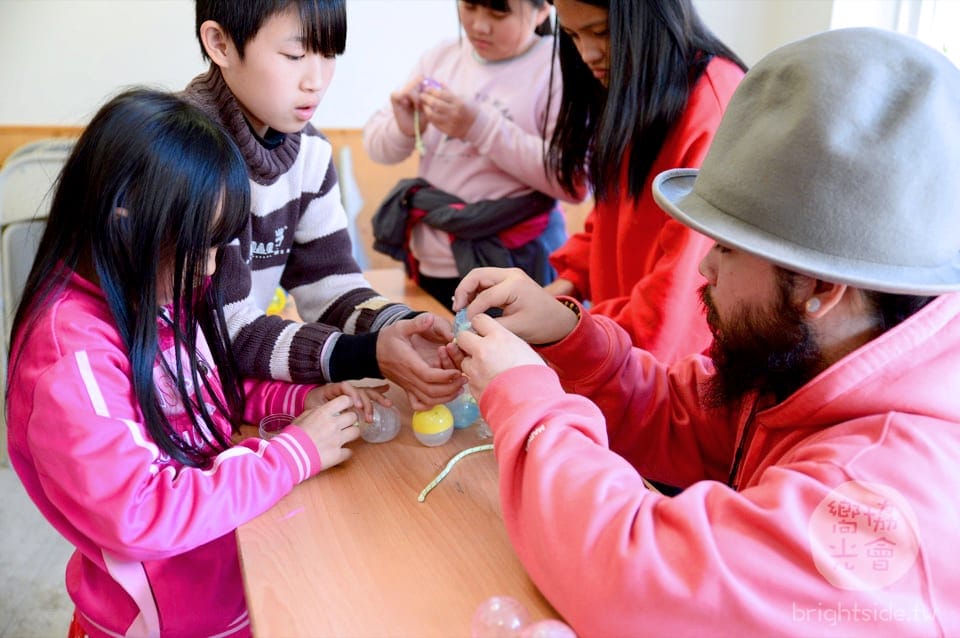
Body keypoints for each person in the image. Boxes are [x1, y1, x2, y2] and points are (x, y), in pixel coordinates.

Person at [449, 28, 960, 636]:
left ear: (820, 289)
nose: (706, 267)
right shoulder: (816, 356)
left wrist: (526, 401)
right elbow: (685, 414)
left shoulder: (875, 496)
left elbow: (633, 580)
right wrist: (567, 337)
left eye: (726, 248)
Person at [5, 89, 391, 638]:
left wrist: (299, 400)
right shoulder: (71, 358)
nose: (210, 269)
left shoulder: (154, 291)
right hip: (161, 621)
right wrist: (293, 454)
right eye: (201, 246)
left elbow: (205, 389)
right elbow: (141, 514)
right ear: (124, 224)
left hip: (231, 577)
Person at [185, 0, 463, 409]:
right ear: (220, 44)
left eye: (329, 53)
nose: (316, 81)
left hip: (231, 391)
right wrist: (365, 354)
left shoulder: (310, 153)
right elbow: (223, 329)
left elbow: (329, 286)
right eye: (294, 55)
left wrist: (405, 326)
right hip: (174, 396)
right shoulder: (187, 157)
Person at [543, 0, 746, 363]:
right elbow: (609, 217)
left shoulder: (711, 105)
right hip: (627, 351)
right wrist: (564, 285)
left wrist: (565, 326)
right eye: (573, 35)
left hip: (668, 368)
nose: (587, 54)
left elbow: (674, 299)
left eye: (601, 32)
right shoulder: (638, 84)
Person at [363, 0, 585, 311]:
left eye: (499, 12)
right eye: (469, 6)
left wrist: (477, 126)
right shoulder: (442, 57)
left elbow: (575, 181)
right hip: (432, 260)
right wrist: (404, 128)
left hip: (517, 262)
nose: (479, 25)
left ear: (543, 10)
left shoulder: (559, 66)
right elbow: (376, 148)